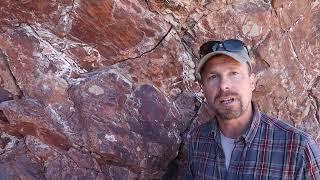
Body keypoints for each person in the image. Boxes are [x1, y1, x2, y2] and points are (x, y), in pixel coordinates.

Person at [180, 39, 320, 179]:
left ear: (252, 82)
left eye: (234, 73)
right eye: (213, 77)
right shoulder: (197, 141)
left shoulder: (298, 149)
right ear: (203, 88)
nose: (224, 86)